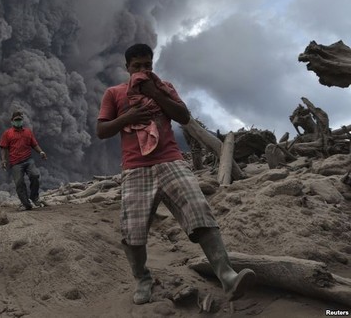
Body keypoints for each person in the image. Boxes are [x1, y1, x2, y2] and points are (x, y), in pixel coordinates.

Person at [96, 43, 255, 305]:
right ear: (127, 68)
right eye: (137, 66)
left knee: (199, 210)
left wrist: (155, 93)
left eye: (147, 65)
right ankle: (142, 279)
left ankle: (227, 275)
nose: (143, 70)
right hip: (136, 168)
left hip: (171, 161)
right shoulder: (114, 93)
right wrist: (129, 116)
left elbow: (183, 116)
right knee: (133, 230)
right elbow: (102, 131)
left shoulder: (164, 87)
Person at [0, 111, 48, 210]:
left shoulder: (28, 132)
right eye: (16, 120)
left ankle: (35, 198)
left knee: (35, 175)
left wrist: (41, 152)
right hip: (15, 162)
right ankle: (25, 203)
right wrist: (4, 160)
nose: (18, 121)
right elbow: (4, 148)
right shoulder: (7, 133)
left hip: (28, 159)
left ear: (22, 120)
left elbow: (34, 144)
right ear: (12, 121)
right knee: (19, 183)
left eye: (19, 120)